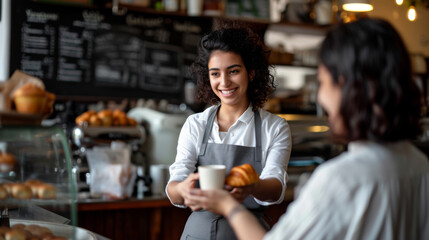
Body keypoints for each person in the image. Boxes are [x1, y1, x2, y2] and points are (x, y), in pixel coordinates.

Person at [187, 18, 429, 240]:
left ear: (348, 88)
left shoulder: (340, 179)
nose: (321, 98)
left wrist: (229, 206)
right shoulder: (420, 166)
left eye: (323, 83)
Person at [165, 23, 292, 240]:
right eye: (215, 73)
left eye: (233, 71)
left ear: (251, 72)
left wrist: (253, 186)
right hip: (198, 234)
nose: (224, 82)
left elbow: (276, 186)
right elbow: (175, 184)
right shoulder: (196, 124)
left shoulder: (275, 127)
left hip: (249, 232)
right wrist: (182, 191)